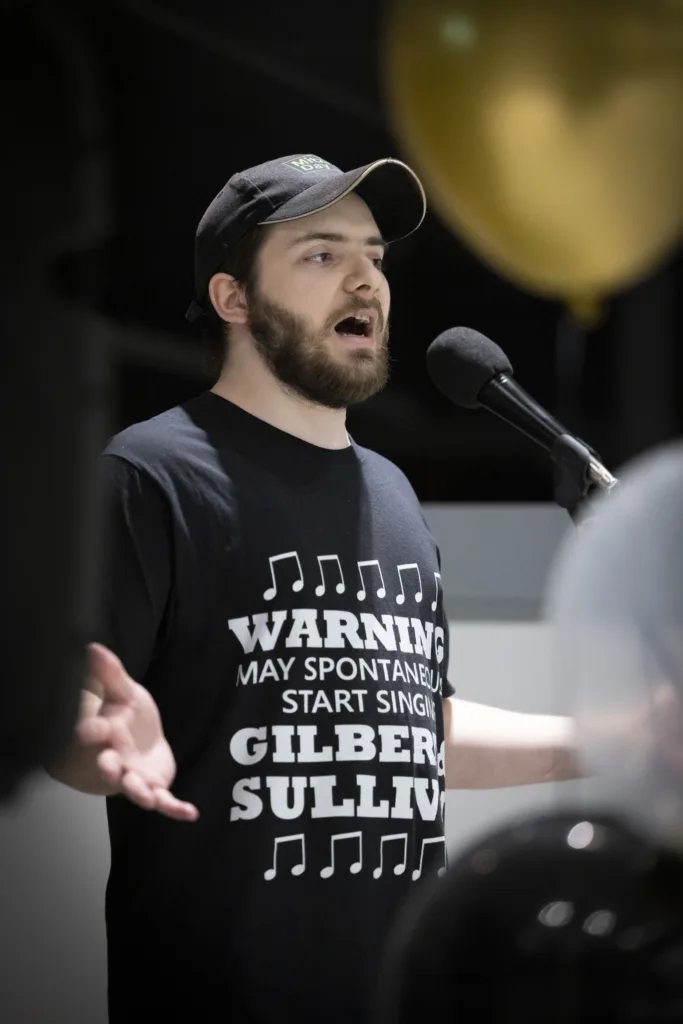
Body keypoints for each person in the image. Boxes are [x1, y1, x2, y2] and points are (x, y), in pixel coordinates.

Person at [47, 153, 578, 1024]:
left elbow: (409, 732)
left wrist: (601, 738)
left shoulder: (394, 494)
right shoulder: (151, 474)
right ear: (234, 298)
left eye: (371, 255)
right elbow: (79, 713)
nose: (366, 278)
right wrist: (92, 740)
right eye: (322, 254)